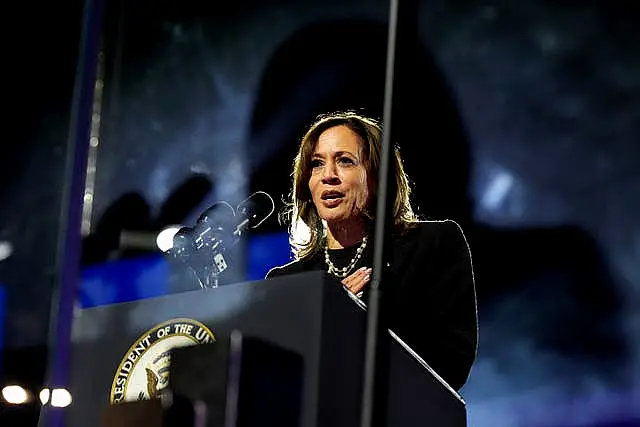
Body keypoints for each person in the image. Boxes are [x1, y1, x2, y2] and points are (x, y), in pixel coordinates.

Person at [266, 111, 478, 391]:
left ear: (377, 176)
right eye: (316, 164)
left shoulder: (432, 245)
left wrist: (351, 322)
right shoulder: (285, 282)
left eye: (345, 161)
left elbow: (452, 364)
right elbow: (276, 380)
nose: (328, 176)